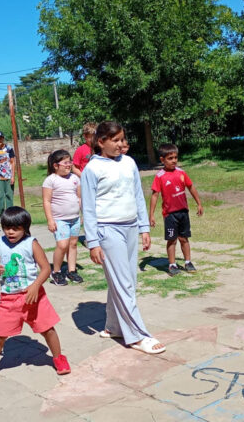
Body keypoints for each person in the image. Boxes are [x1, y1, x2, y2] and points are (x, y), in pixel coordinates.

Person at [81, 122, 166, 355]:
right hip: (107, 231)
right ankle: (137, 335)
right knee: (123, 282)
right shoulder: (92, 169)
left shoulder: (129, 163)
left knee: (126, 280)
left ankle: (114, 326)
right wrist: (93, 243)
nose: (121, 145)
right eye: (116, 140)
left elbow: (138, 195)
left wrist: (143, 228)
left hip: (129, 227)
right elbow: (88, 208)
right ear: (101, 142)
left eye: (122, 139)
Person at [0, 206, 71, 382]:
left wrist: (36, 286)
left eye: (16, 228)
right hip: (9, 298)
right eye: (7, 228)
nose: (10, 232)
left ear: (25, 228)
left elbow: (45, 268)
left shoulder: (31, 243)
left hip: (34, 297)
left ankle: (59, 357)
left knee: (48, 330)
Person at [149, 144, 204, 276]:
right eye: (170, 158)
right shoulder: (160, 176)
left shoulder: (182, 173)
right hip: (170, 215)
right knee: (172, 240)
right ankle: (172, 265)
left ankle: (188, 262)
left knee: (184, 238)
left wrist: (199, 203)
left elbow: (191, 187)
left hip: (183, 212)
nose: (174, 160)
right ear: (162, 160)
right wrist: (151, 214)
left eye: (175, 157)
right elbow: (155, 195)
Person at [42, 150, 83, 286]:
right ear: (56, 165)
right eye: (65, 163)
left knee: (73, 244)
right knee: (62, 245)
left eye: (70, 162)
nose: (69, 165)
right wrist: (50, 220)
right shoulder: (50, 180)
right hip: (59, 220)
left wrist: (82, 214)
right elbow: (47, 201)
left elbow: (79, 197)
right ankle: (57, 272)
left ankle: (72, 271)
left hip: (75, 218)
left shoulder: (74, 178)